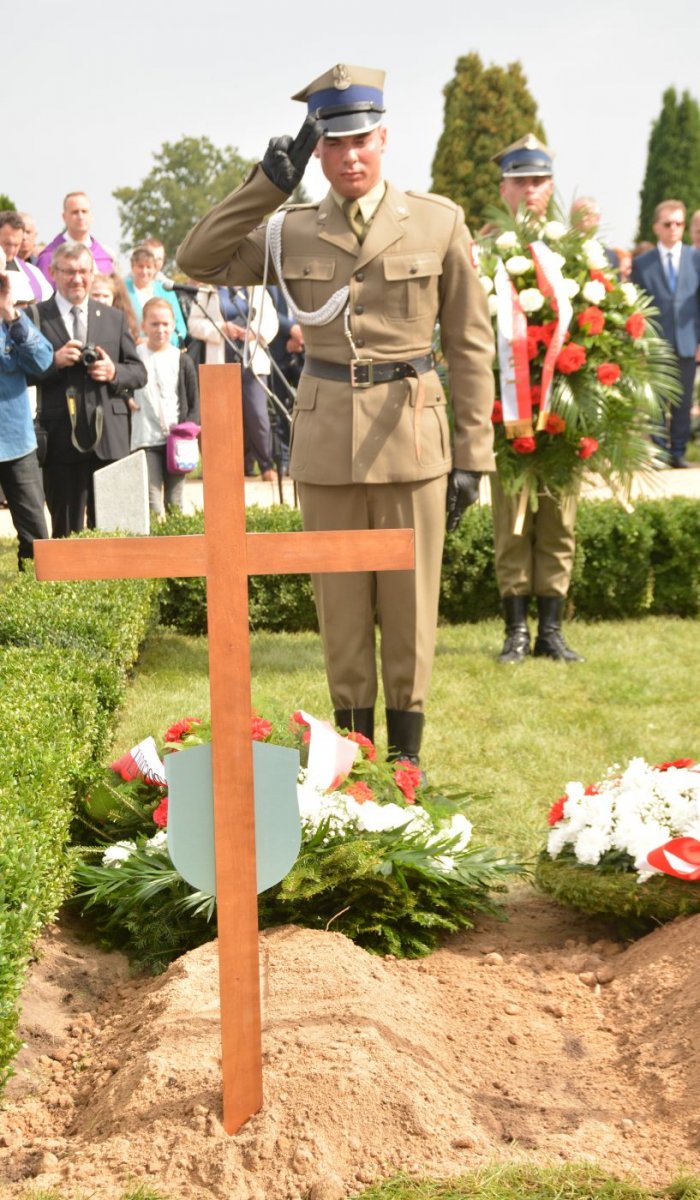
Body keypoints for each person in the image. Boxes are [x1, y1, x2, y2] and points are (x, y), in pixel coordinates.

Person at [178, 63, 495, 764]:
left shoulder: (437, 221)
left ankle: (406, 764)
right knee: (341, 612)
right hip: (327, 443)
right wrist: (264, 186)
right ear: (318, 152)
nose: (351, 156)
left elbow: (472, 347)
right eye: (336, 144)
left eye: (362, 140)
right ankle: (352, 762)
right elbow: (197, 260)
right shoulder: (288, 230)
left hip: (414, 435)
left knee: (411, 611)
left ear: (384, 139)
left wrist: (474, 455)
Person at [484, 134, 583, 664]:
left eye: (539, 180)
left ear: (550, 186)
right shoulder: (486, 253)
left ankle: (551, 630)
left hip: (563, 413)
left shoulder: (573, 251)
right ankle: (515, 631)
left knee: (559, 519)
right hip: (508, 413)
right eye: (520, 180)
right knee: (510, 520)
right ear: (504, 188)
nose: (530, 189)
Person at [30, 242, 146, 537]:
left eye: (83, 271)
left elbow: (138, 372)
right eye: (68, 272)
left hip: (110, 438)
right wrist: (52, 363)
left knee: (114, 528)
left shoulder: (113, 317)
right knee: (67, 532)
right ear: (54, 272)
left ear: (93, 273)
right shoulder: (36, 317)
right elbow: (21, 374)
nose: (77, 279)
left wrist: (113, 371)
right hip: (61, 440)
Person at [631, 199, 700, 469]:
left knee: (683, 401)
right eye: (668, 224)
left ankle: (679, 451)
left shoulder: (696, 259)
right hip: (656, 344)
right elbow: (636, 306)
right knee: (657, 400)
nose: (674, 229)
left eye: (679, 224)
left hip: (687, 340)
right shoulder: (642, 263)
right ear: (656, 227)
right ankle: (660, 452)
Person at [186, 284, 279, 479]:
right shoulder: (207, 289)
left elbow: (272, 320)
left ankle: (265, 465)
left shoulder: (257, 288)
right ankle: (220, 467)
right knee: (220, 417)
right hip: (220, 360)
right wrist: (222, 328)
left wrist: (255, 332)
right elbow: (193, 324)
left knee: (257, 414)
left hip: (251, 359)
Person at [0, 246, 51, 567]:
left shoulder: (14, 320)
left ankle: (39, 601)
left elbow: (42, 361)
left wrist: (9, 310)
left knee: (36, 538)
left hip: (15, 442)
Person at [130, 298, 199, 514]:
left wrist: (188, 431)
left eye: (165, 324)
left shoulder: (182, 359)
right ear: (143, 326)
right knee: (152, 502)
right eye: (154, 324)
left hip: (176, 442)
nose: (161, 330)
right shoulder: (134, 357)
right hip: (145, 438)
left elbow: (193, 401)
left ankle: (177, 542)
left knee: (174, 500)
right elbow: (122, 385)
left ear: (173, 325)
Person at [36, 191, 114, 280]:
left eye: (84, 211)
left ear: (91, 216)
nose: (80, 217)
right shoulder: (49, 257)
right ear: (64, 217)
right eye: (75, 212)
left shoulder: (104, 258)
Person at [125, 246, 187, 346]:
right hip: (133, 350)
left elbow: (180, 327)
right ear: (132, 267)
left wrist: (163, 342)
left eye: (148, 267)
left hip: (166, 349)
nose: (144, 271)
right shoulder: (123, 291)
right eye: (140, 266)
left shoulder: (166, 290)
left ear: (155, 269)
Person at [0, 211, 53, 303]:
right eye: (7, 244)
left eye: (16, 245)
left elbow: (49, 305)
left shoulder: (34, 273)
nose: (12, 250)